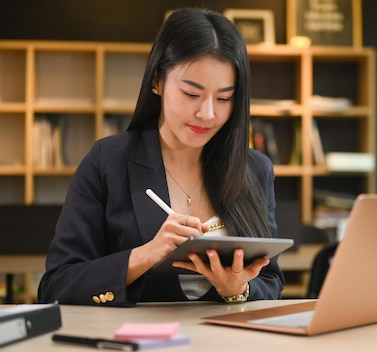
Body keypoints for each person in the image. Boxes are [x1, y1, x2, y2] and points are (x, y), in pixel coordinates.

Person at [38, 8, 284, 306]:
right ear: (158, 81)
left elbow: (270, 282)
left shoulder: (254, 169)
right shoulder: (107, 162)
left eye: (223, 98)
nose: (207, 114)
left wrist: (237, 289)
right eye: (191, 94)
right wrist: (146, 254)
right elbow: (56, 285)